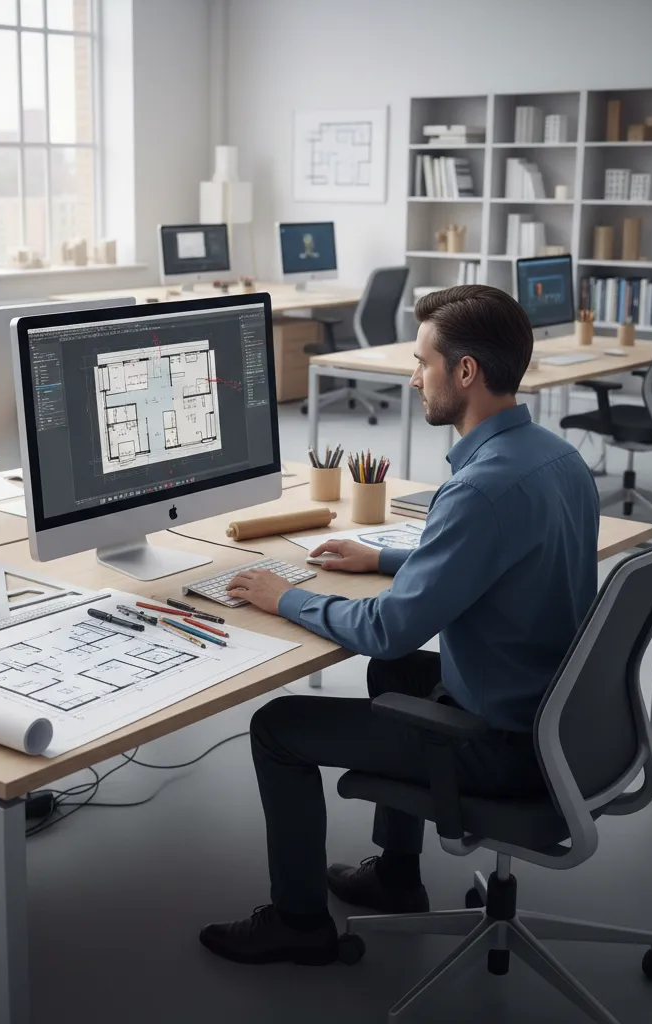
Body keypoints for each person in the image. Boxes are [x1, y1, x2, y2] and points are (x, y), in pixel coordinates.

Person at [199, 284, 600, 965]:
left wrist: (281, 597)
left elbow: (388, 629)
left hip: (503, 744)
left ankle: (299, 925)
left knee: (277, 729)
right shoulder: (556, 458)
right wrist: (381, 555)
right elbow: (492, 559)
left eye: (422, 362)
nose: (414, 377)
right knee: (398, 677)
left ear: (465, 372)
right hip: (557, 715)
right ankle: (395, 875)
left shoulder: (475, 489)